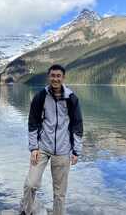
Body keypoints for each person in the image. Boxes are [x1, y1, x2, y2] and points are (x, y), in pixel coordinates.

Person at [20, 64, 83, 215]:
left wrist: (76, 151)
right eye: (53, 76)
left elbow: (77, 125)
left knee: (59, 193)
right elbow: (33, 123)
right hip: (42, 148)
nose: (55, 79)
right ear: (49, 77)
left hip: (63, 150)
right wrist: (34, 147)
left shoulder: (71, 99)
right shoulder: (40, 96)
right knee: (31, 184)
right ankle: (26, 211)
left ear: (63, 78)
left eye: (58, 76)